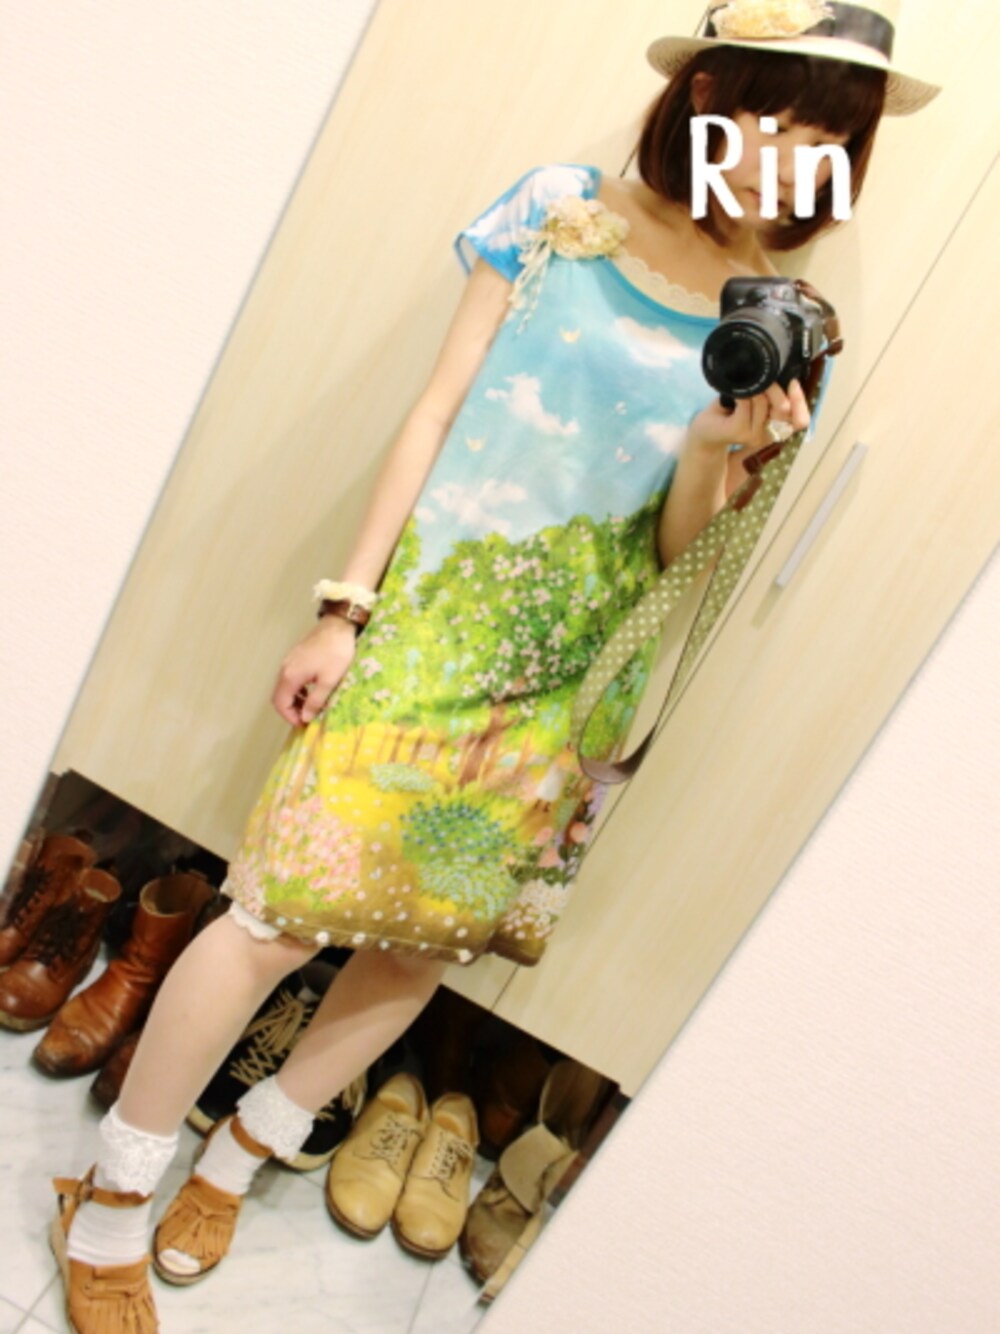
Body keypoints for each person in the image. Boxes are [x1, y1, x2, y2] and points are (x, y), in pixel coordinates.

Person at [49, 3, 938, 1330]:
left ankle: (233, 1164)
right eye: (772, 113)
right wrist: (345, 608)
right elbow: (435, 407)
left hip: (567, 687)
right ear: (705, 94)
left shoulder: (782, 320)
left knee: (419, 952)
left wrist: (717, 449)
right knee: (271, 920)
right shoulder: (559, 210)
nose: (789, 154)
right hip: (425, 629)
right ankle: (112, 1197)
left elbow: (675, 554)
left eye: (829, 137)